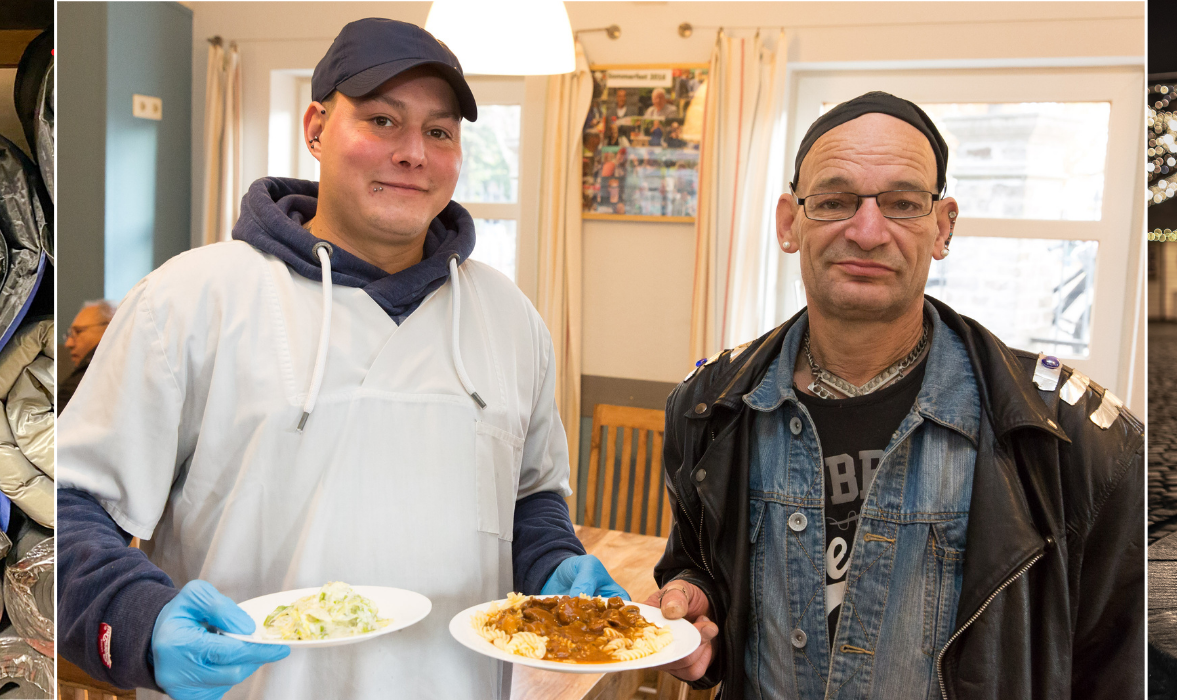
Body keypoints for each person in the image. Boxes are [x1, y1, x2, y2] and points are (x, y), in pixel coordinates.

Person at [57, 18, 627, 700]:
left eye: (439, 131)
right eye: (383, 120)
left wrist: (552, 560)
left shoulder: (510, 320)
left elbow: (530, 496)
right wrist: (138, 619)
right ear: (316, 128)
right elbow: (65, 504)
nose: (414, 152)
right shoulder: (189, 300)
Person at [647, 92, 1143, 699]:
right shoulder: (710, 410)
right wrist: (697, 604)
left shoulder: (1078, 441)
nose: (868, 230)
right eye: (833, 201)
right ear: (788, 222)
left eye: (904, 204)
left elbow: (1121, 669)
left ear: (942, 227)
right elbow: (700, 565)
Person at [59, 299, 115, 410]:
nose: (68, 343)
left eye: (78, 331)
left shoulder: (82, 384)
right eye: (70, 334)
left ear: (110, 327)